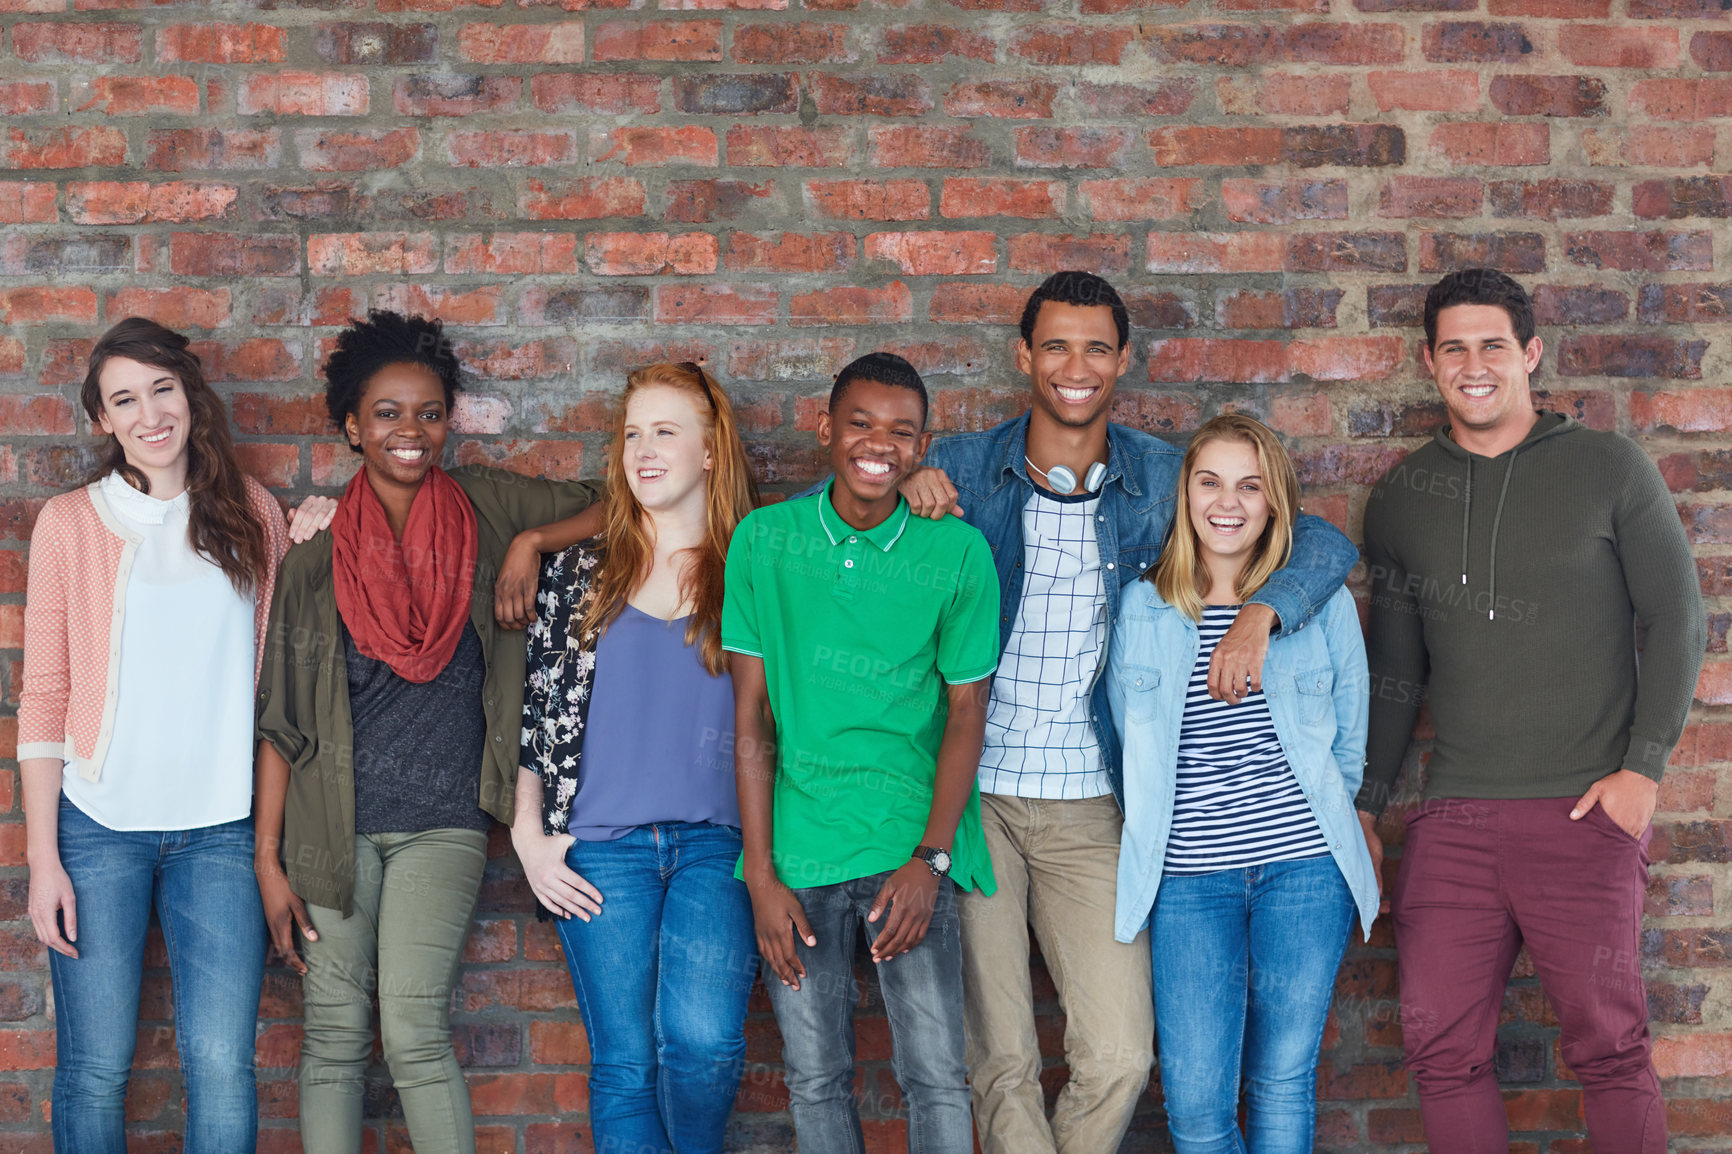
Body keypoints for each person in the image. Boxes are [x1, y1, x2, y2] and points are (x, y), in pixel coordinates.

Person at [895, 271, 1360, 1154]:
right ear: (1024, 355)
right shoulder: (958, 468)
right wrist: (908, 484)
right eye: (1057, 345)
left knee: (1119, 1054)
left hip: (1096, 806)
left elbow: (1319, 538)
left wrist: (1263, 611)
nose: (1077, 366)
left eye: (1097, 347)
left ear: (1123, 361)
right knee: (1001, 1060)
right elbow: (842, 502)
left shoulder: (1160, 475)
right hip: (972, 801)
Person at [1356, 269, 1706, 1154]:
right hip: (1456, 817)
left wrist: (1644, 768)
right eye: (1455, 348)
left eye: (1494, 346)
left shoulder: (1607, 468)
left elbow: (1677, 616)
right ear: (1429, 361)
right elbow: (1397, 670)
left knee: (1611, 1051)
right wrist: (1366, 804)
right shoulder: (1401, 497)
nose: (1475, 366)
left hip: (1584, 810)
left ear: (1531, 355)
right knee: (1441, 1051)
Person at [253, 310, 605, 1154]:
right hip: (329, 831)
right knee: (334, 1040)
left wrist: (529, 544)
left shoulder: (487, 506)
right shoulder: (314, 558)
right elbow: (280, 723)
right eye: (387, 414)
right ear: (351, 425)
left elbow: (618, 509)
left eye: (430, 413)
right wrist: (266, 862)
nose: (411, 432)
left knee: (414, 1032)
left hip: (443, 824)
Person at [19, 318, 292, 1153]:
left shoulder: (255, 514)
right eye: (124, 400)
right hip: (97, 830)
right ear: (103, 421)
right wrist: (42, 860)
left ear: (190, 394)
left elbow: (281, 672)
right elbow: (44, 697)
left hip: (220, 832)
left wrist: (317, 535)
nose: (150, 414)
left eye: (162, 389)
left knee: (221, 1066)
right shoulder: (70, 524)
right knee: (95, 1068)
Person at [723, 352, 1001, 1153]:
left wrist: (933, 860)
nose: (879, 444)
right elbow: (752, 716)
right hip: (799, 856)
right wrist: (763, 877)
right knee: (815, 1078)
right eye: (860, 424)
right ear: (824, 428)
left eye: (901, 432)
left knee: (936, 1075)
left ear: (922, 448)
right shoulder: (765, 542)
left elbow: (967, 711)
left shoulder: (956, 554)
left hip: (905, 846)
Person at [1107, 414, 1379, 1153]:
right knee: (1195, 1104)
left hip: (1303, 871)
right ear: (1185, 494)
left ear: (1274, 502)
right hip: (1191, 881)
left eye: (1250, 487)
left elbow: (1349, 743)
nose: (1228, 503)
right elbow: (1128, 745)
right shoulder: (1142, 610)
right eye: (1210, 482)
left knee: (1283, 1080)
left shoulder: (1317, 607)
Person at [511, 362, 759, 1154]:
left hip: (719, 847)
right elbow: (537, 715)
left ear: (712, 450)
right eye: (630, 435)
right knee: (623, 1066)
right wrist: (528, 835)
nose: (642, 451)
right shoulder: (580, 572)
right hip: (600, 852)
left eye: (664, 432)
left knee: (703, 1046)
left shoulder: (755, 568)